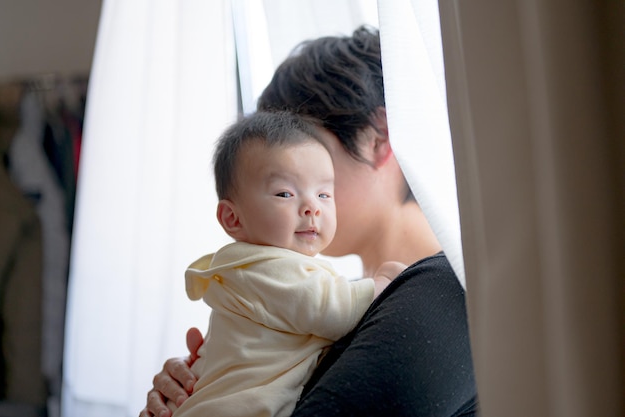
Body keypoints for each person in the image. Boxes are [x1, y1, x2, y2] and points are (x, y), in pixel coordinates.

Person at [140, 25, 478, 417]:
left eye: (302, 148)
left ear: (379, 137)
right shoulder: (324, 306)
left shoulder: (443, 296)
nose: (301, 193)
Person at [168, 111, 402, 417]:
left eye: (323, 194)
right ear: (232, 218)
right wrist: (386, 282)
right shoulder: (267, 269)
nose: (312, 208)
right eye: (285, 193)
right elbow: (334, 309)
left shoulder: (252, 270)